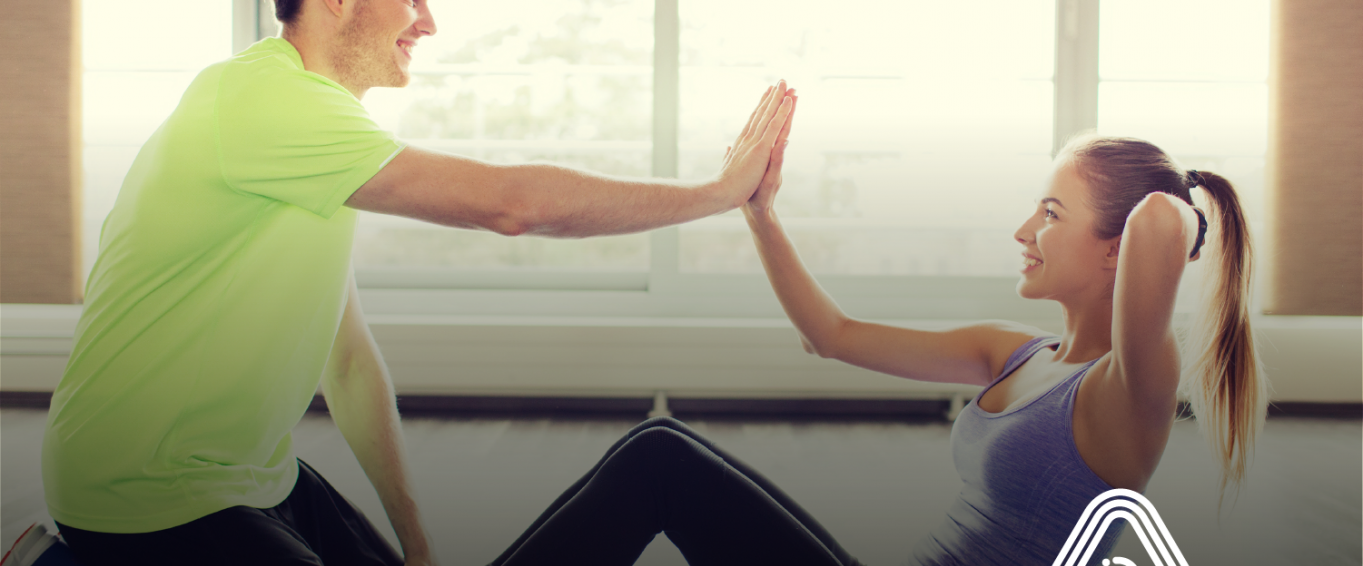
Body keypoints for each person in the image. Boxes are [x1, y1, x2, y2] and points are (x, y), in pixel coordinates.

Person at [40, 0, 793, 564]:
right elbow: (513, 207)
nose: (427, 22)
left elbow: (348, 362)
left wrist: (418, 546)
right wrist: (716, 193)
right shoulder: (262, 102)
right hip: (140, 495)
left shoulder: (320, 131)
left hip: (254, 478)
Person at [486, 128, 1267, 565]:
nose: (1024, 232)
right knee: (658, 443)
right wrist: (758, 211)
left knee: (658, 466)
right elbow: (830, 335)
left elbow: (1159, 224)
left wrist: (1188, 214)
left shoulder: (1129, 389)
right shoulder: (1016, 354)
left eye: (1052, 213)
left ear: (1113, 250)